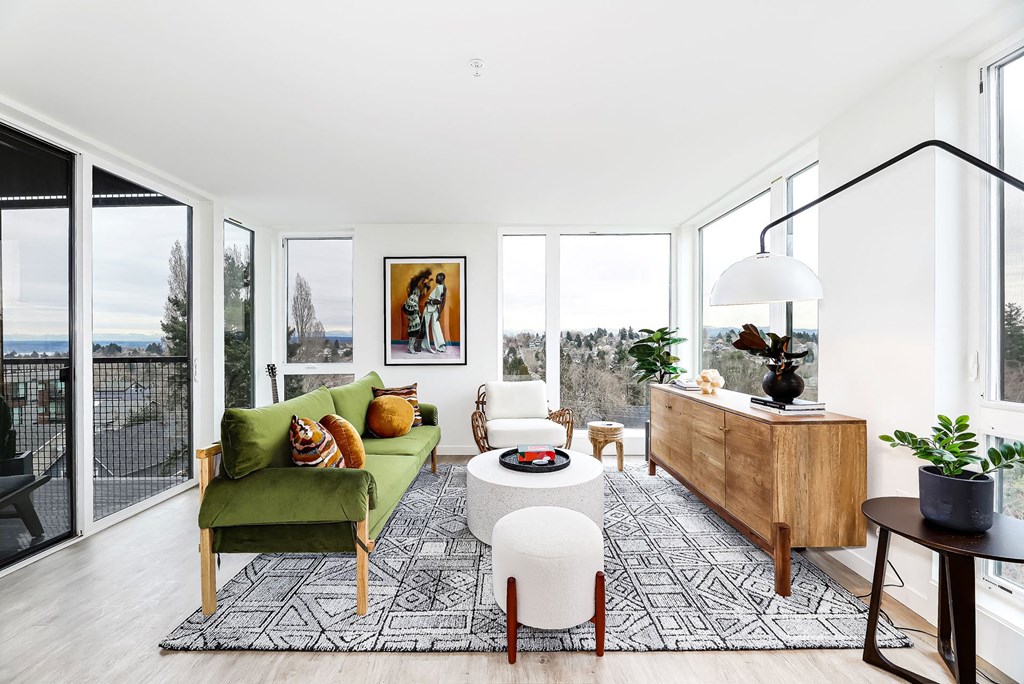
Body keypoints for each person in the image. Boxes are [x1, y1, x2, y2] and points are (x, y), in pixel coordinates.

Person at [402, 268, 430, 353]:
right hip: (411, 307)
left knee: (413, 326)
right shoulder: (415, 287)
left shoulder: (418, 289)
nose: (425, 292)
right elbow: (414, 299)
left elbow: (423, 292)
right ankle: (411, 346)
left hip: (412, 307)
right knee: (415, 326)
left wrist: (427, 283)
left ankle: (410, 345)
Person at [422, 272, 447, 353]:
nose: (436, 279)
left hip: (430, 308)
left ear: (442, 278)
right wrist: (440, 313)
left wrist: (429, 302)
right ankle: (441, 345)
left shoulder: (439, 287)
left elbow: (439, 301)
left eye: (437, 277)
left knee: (424, 326)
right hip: (435, 309)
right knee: (436, 326)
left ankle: (423, 345)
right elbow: (443, 302)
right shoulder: (444, 287)